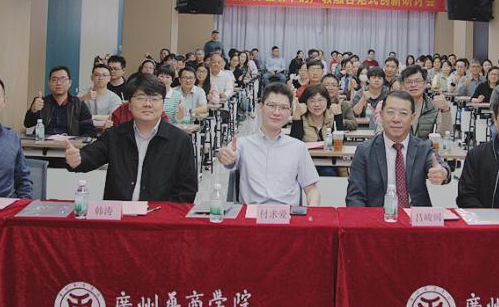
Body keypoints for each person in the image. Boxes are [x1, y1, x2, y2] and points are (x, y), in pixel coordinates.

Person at [65, 75, 198, 202]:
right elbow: (92, 155)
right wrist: (78, 159)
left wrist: (165, 213)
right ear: (129, 104)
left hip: (159, 214)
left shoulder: (180, 140)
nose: (148, 104)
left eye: (154, 99)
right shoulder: (115, 135)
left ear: (162, 103)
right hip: (119, 213)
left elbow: (187, 189)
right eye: (140, 98)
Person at [217, 83, 320, 206]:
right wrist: (226, 157)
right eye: (271, 106)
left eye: (283, 108)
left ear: (290, 112)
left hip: (287, 214)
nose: (277, 112)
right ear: (261, 107)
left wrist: (312, 208)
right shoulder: (242, 144)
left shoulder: (298, 147)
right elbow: (229, 157)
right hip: (252, 214)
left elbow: (311, 189)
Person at [345, 90, 450, 207]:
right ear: (381, 115)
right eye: (390, 112)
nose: (396, 119)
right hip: (378, 215)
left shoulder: (423, 148)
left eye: (403, 113)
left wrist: (443, 172)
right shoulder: (364, 151)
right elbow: (354, 197)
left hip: (415, 215)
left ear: (412, 118)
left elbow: (439, 165)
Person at [24, 66, 96, 137]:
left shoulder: (79, 105)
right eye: (54, 79)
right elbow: (27, 124)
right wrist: (33, 110)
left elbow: (90, 131)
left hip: (69, 143)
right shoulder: (41, 102)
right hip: (44, 143)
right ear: (49, 83)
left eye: (63, 79)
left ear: (70, 83)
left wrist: (77, 142)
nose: (58, 83)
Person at [290, 85, 339, 177]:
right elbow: (295, 143)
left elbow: (340, 142)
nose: (317, 104)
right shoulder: (301, 118)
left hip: (328, 162)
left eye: (320, 100)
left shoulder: (332, 116)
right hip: (304, 163)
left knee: (328, 173)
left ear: (327, 101)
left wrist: (339, 116)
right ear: (305, 103)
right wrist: (296, 117)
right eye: (312, 101)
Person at [400, 64, 451, 139]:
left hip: (426, 145)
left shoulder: (433, 106)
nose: (413, 85)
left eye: (417, 81)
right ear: (403, 85)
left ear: (424, 84)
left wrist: (446, 110)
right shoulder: (396, 106)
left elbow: (443, 134)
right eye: (409, 82)